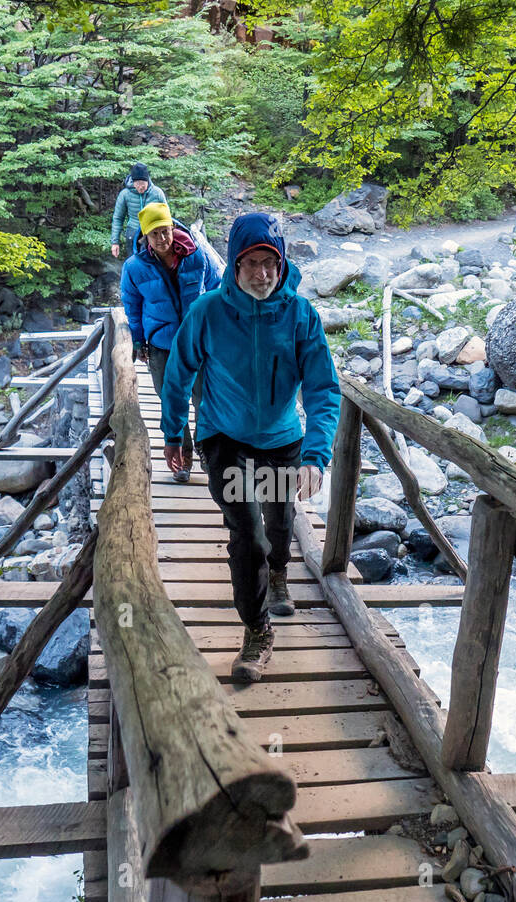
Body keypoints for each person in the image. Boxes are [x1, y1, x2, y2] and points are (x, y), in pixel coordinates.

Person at [161, 212, 340, 683]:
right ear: (234, 266)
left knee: (280, 524)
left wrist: (316, 455)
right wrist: (173, 432)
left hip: (282, 438)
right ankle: (257, 631)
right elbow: (178, 375)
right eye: (252, 263)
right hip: (224, 438)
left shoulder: (301, 316)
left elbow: (323, 390)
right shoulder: (208, 313)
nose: (262, 274)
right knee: (248, 535)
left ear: (282, 265)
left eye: (270, 263)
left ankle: (279, 572)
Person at [119, 202, 220, 481]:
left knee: (205, 400)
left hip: (198, 341)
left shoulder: (196, 256)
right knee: (169, 399)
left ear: (172, 228)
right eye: (155, 234)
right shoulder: (135, 268)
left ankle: (209, 456)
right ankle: (182, 457)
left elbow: (217, 288)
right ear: (145, 237)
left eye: (165, 231)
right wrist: (139, 341)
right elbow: (132, 306)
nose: (162, 239)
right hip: (162, 344)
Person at [109, 163, 166, 259]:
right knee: (134, 264)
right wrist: (115, 242)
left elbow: (166, 217)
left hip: (154, 232)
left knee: (154, 264)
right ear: (133, 182)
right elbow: (118, 218)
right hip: (133, 232)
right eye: (137, 183)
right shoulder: (125, 194)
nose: (140, 187)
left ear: (147, 181)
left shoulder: (157, 193)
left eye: (143, 183)